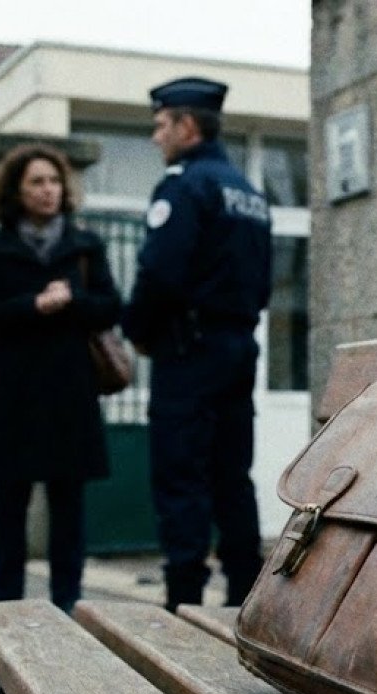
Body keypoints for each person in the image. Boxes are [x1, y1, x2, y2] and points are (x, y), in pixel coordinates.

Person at [121, 77, 273, 611]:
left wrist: (138, 331)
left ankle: (182, 602)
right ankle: (245, 597)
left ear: (187, 126)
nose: (156, 137)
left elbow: (160, 272)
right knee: (232, 474)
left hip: (189, 352)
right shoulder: (249, 193)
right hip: (236, 347)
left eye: (161, 125)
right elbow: (261, 281)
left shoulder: (185, 186)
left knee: (182, 473)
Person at [0, 144, 122, 614]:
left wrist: (73, 299)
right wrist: (32, 306)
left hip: (69, 390)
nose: (47, 190)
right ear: (17, 189)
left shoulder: (84, 244)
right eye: (36, 182)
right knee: (11, 503)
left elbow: (111, 306)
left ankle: (66, 604)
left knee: (68, 506)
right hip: (14, 390)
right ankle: (6, 609)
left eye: (54, 181)